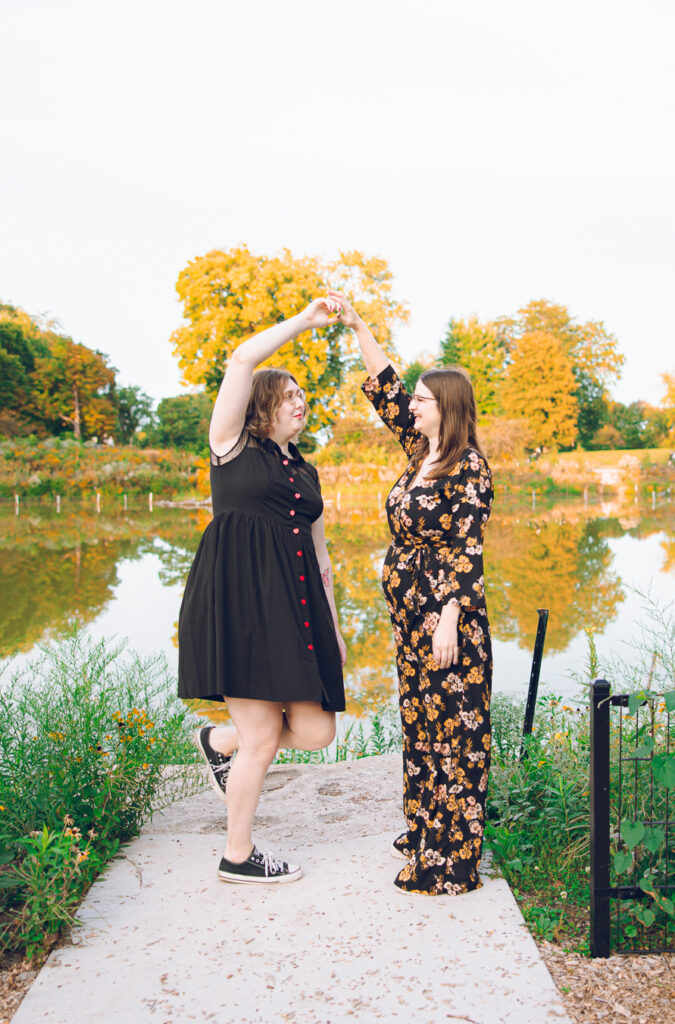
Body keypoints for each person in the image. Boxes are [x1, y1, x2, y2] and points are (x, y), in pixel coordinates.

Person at [327, 289, 493, 896]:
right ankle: (426, 829)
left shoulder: (468, 467)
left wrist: (449, 616)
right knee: (419, 724)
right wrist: (357, 324)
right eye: (415, 400)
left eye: (423, 400)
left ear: (446, 408)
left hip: (449, 622)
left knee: (454, 733)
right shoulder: (421, 451)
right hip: (409, 618)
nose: (412, 405)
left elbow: (467, 549)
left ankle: (452, 861)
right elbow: (386, 387)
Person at [178, 298, 347, 884]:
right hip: (239, 606)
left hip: (295, 612)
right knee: (263, 739)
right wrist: (304, 321)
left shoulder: (304, 470)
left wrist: (334, 626)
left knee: (318, 730)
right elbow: (242, 358)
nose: (301, 402)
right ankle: (238, 854)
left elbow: (321, 558)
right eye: (289, 394)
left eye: (304, 395)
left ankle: (218, 741)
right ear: (262, 405)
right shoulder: (230, 445)